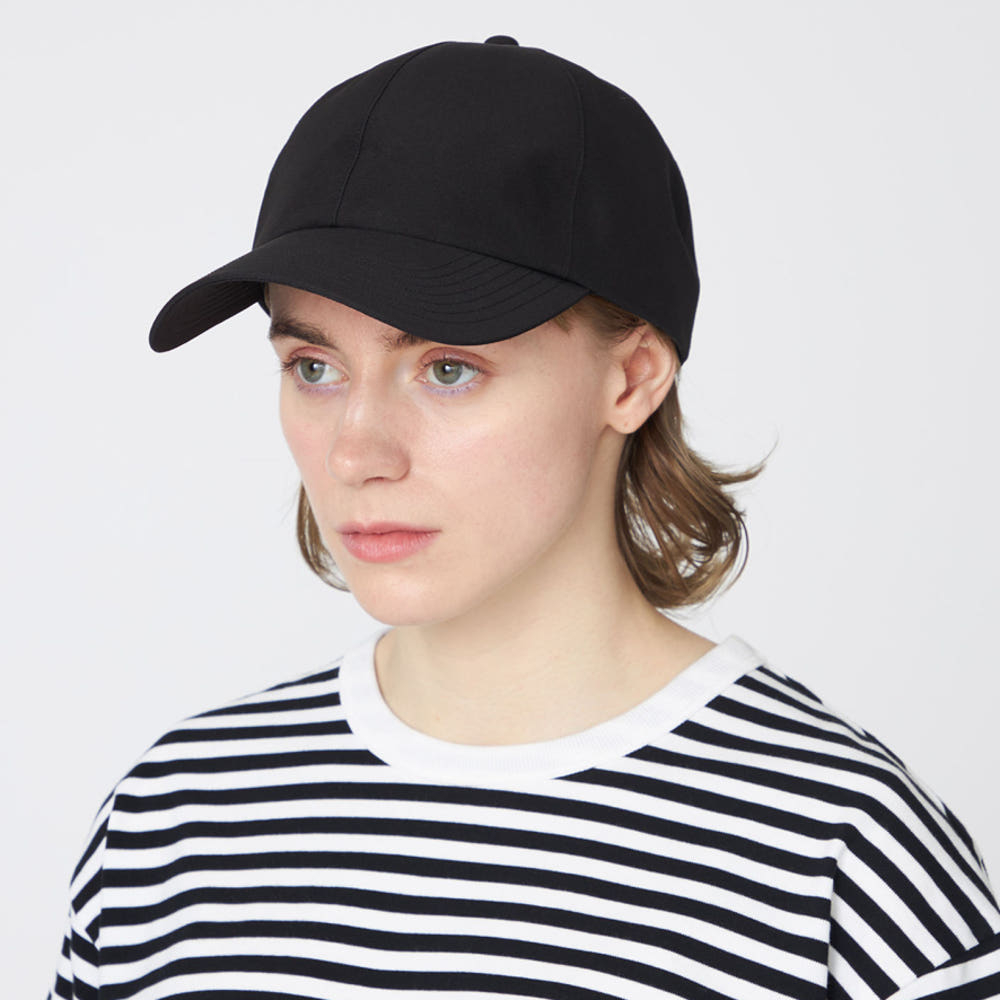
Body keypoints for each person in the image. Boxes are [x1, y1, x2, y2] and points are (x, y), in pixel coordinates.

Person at [49, 35, 999, 1000]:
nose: (355, 453)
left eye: (446, 368)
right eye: (315, 367)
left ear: (632, 378)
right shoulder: (174, 826)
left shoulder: (840, 852)